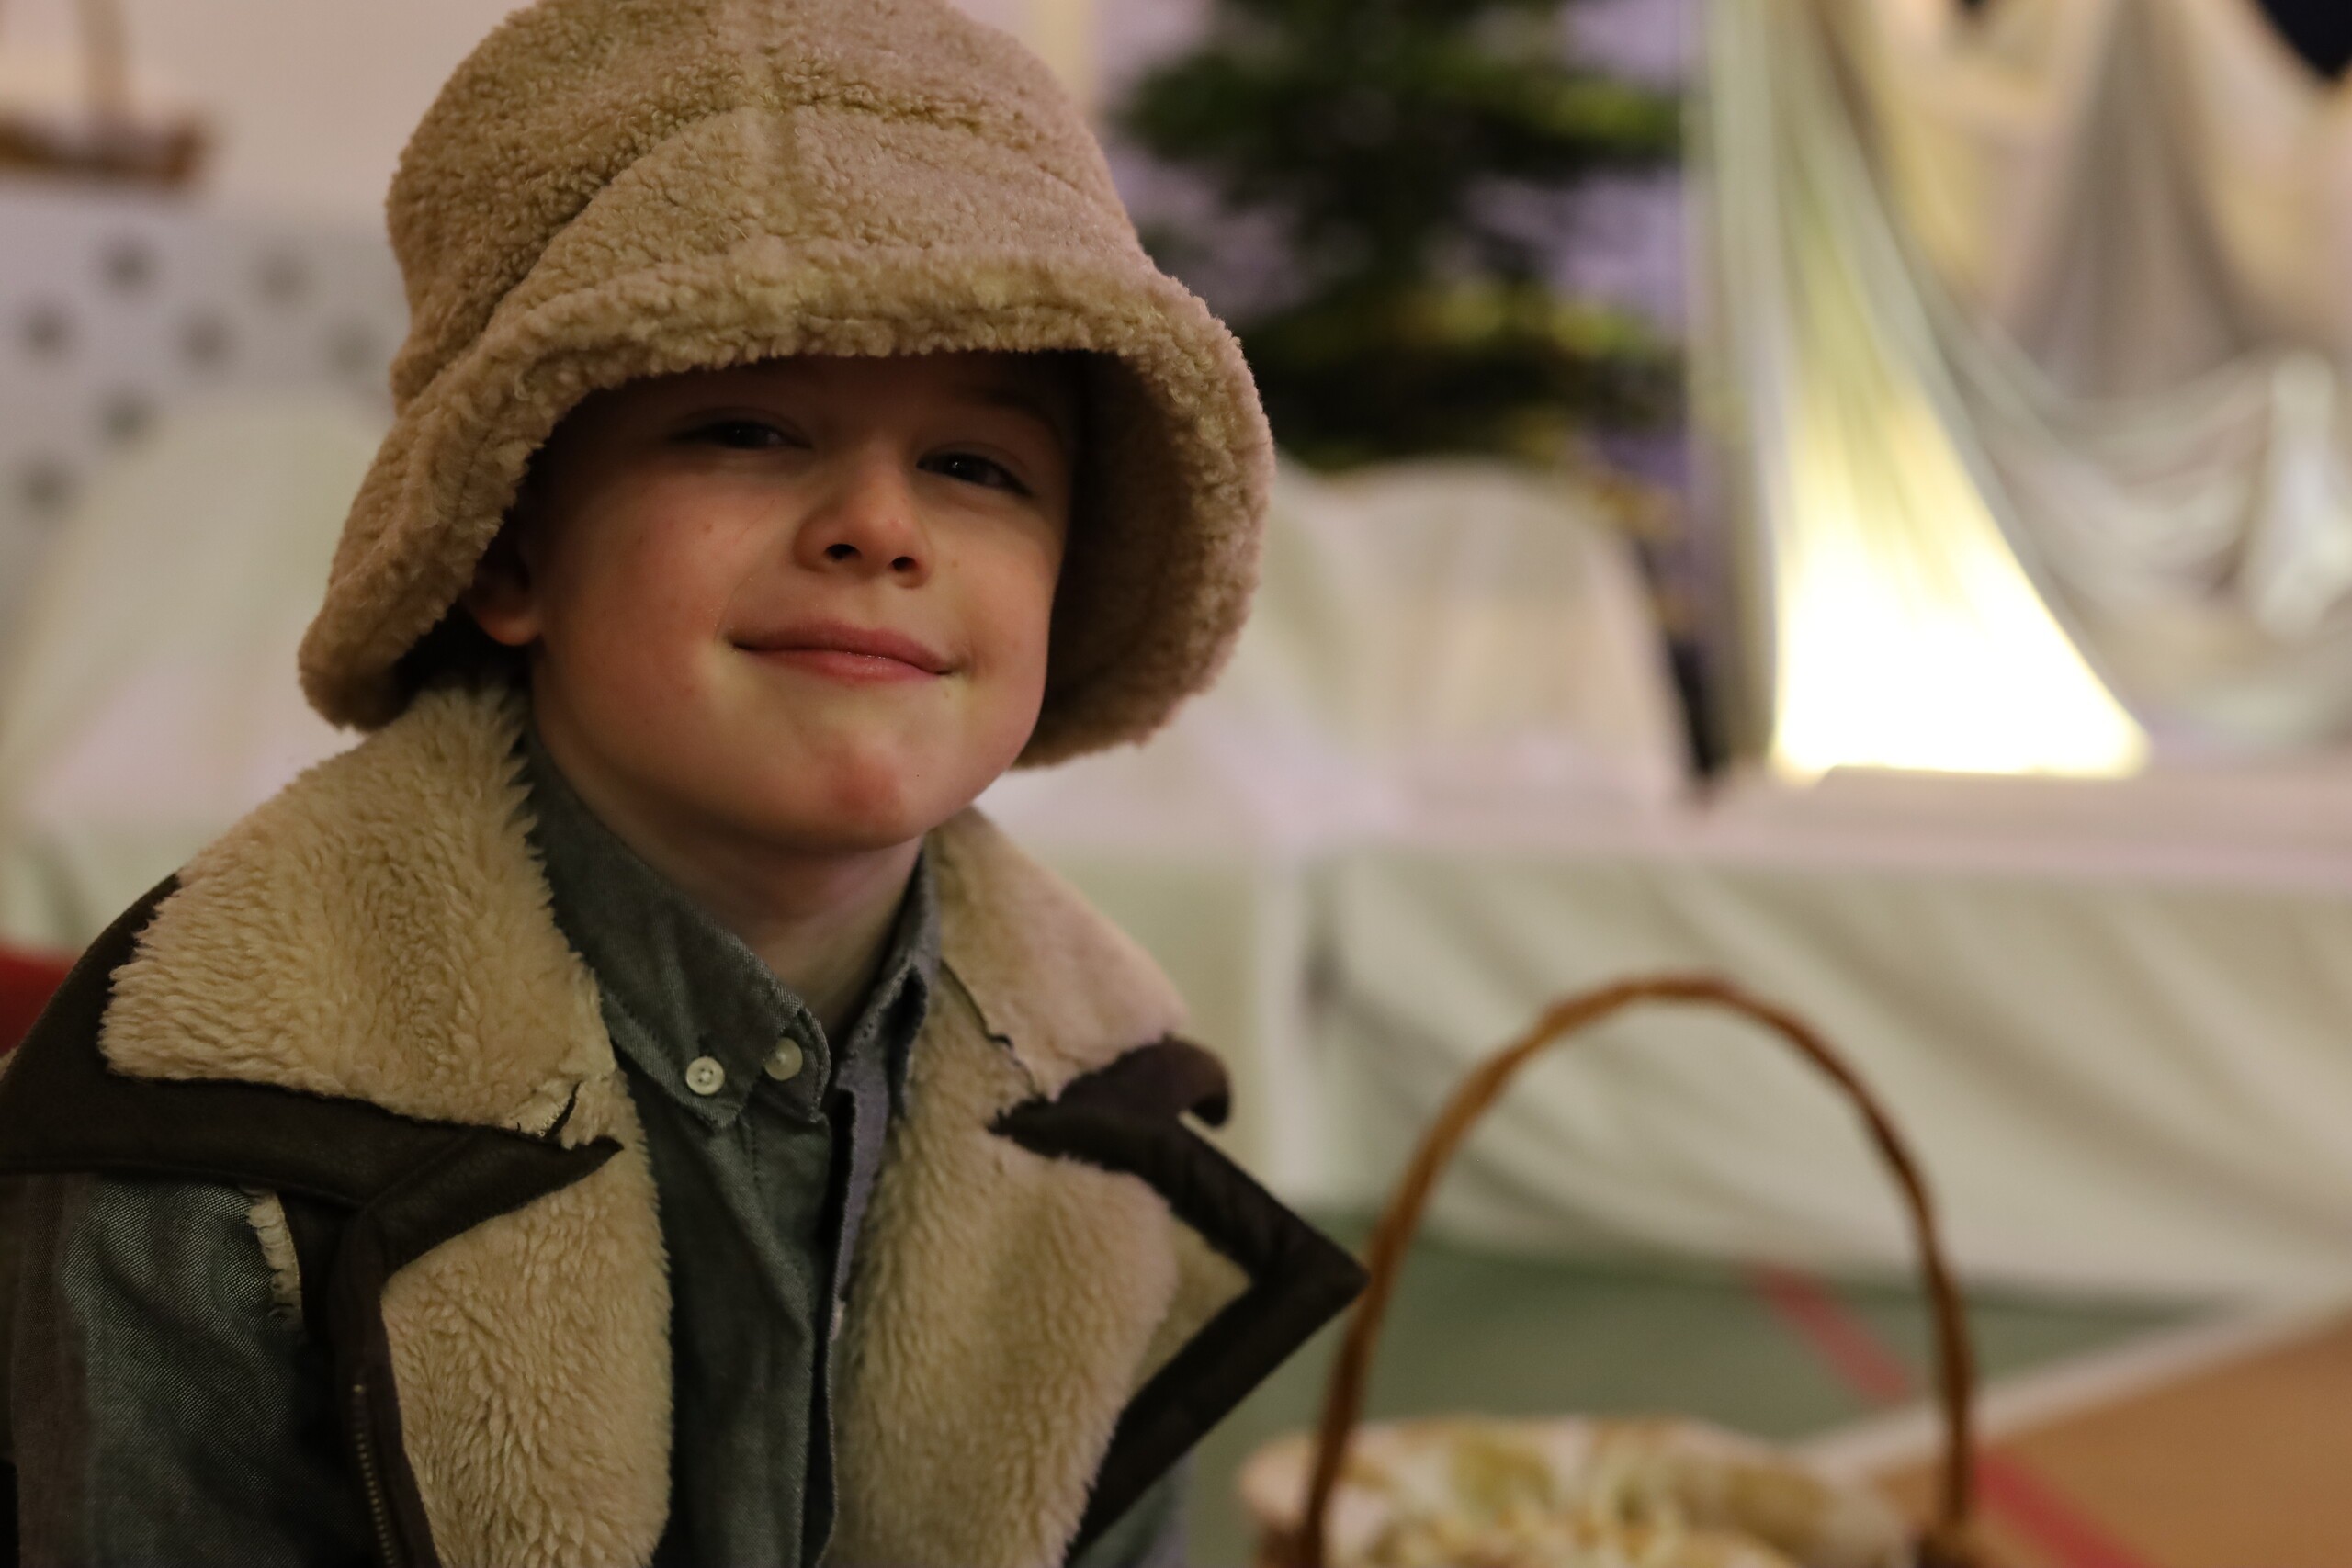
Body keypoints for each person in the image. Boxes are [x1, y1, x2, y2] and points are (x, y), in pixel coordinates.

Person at [0, 2, 1364, 1563]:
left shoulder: (1104, 1122)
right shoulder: (211, 1137)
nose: (879, 527)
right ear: (508, 547)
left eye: (974, 466)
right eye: (745, 427)